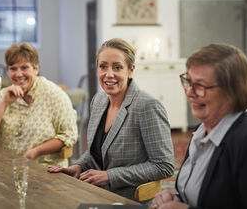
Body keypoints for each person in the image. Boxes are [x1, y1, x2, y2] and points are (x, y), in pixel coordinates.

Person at [150, 44, 247, 209]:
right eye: (188, 81)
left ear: (232, 90)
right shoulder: (201, 132)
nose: (189, 92)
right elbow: (206, 197)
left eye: (200, 86)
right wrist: (176, 199)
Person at [48, 38, 174, 200]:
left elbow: (164, 166)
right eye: (103, 66)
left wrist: (109, 176)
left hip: (128, 199)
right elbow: (96, 151)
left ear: (130, 70)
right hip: (95, 194)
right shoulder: (98, 101)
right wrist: (79, 166)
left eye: (117, 67)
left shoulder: (147, 106)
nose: (109, 74)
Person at [0, 43, 77, 167]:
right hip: (9, 168)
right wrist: (5, 102)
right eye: (13, 68)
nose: (18, 74)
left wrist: (36, 151)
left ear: (36, 69)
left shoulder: (54, 94)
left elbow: (68, 135)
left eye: (24, 68)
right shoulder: (4, 95)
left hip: (47, 170)